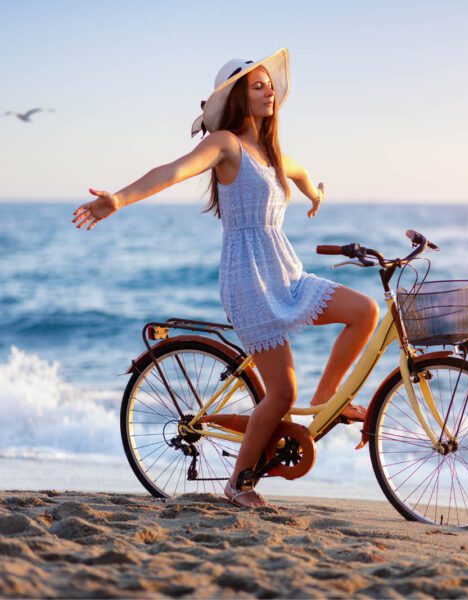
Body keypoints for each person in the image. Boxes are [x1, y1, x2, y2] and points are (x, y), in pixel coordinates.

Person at [72, 48, 379, 508]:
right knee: (280, 392)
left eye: (268, 84)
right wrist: (118, 199)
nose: (268, 90)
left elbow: (302, 175)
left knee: (365, 311)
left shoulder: (274, 154)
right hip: (249, 280)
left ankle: (325, 404)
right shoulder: (225, 145)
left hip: (287, 272)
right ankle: (239, 485)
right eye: (257, 86)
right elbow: (171, 172)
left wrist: (315, 194)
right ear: (238, 98)